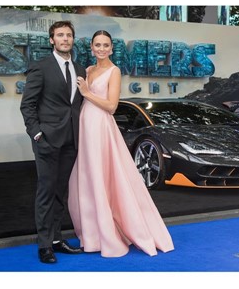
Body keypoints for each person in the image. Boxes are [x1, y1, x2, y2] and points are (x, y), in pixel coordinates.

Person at [68, 30, 174, 258]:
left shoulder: (114, 71)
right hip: (86, 125)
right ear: (92, 47)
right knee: (88, 177)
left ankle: (109, 235)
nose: (101, 49)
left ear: (112, 48)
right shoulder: (88, 70)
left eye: (106, 45)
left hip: (100, 126)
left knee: (102, 176)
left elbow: (112, 106)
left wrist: (86, 92)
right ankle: (93, 235)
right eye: (97, 45)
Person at [20, 21, 86, 264]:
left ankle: (57, 239)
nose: (65, 39)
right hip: (47, 139)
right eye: (60, 35)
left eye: (69, 35)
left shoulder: (80, 69)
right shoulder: (40, 68)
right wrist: (36, 133)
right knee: (46, 191)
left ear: (72, 39)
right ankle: (44, 244)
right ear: (52, 40)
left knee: (61, 192)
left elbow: (77, 105)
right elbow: (27, 105)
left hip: (71, 139)